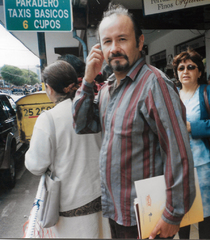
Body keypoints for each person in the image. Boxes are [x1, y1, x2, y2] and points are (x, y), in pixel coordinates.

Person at [72, 3, 196, 239]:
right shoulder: (108, 89)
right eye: (107, 42)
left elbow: (178, 151)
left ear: (139, 43)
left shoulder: (154, 84)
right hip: (117, 210)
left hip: (146, 215)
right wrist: (88, 80)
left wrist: (173, 214)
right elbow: (82, 124)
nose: (114, 48)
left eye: (122, 39)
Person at [25, 60, 109, 238]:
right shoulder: (95, 108)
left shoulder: (49, 119)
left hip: (71, 206)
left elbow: (36, 165)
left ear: (49, 88)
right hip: (104, 198)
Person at [172, 49, 210, 239]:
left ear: (199, 72)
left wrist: (192, 127)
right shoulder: (172, 94)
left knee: (205, 213)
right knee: (182, 213)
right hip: (178, 165)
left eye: (191, 67)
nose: (185, 71)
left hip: (204, 164)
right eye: (181, 68)